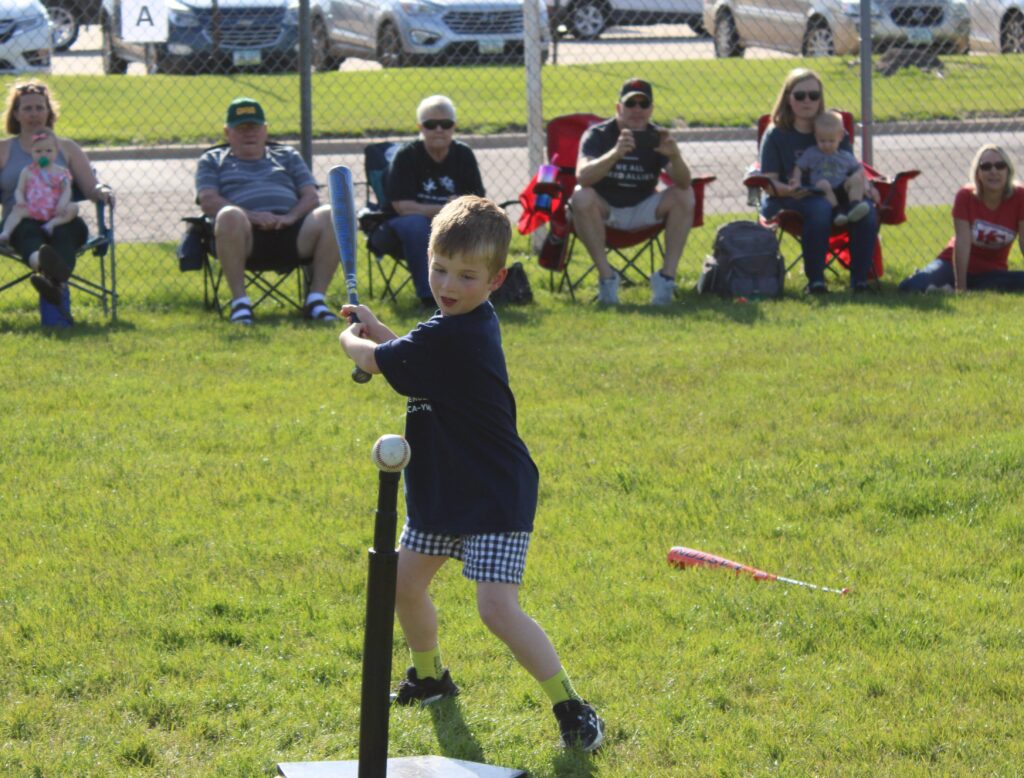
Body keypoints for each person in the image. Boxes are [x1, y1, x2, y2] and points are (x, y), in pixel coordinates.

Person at [338, 196, 605, 752]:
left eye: (466, 275)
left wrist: (352, 341)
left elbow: (376, 362)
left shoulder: (460, 332)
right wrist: (380, 331)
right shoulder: (449, 326)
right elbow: (407, 358)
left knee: (496, 609)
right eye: (439, 269)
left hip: (492, 490)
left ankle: (572, 706)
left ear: (495, 279)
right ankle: (429, 677)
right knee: (403, 585)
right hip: (444, 486)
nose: (447, 283)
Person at [196, 97, 339, 325]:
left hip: (292, 231)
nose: (249, 133)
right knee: (228, 215)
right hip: (245, 236)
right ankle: (240, 304)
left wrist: (290, 217)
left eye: (254, 127)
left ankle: (316, 300)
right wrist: (253, 216)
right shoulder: (212, 160)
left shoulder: (287, 156)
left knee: (333, 214)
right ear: (227, 132)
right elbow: (208, 200)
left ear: (265, 130)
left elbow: (310, 196)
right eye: (241, 128)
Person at [571, 77, 695, 305]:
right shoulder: (598, 135)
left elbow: (685, 182)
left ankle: (666, 280)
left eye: (643, 104)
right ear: (618, 108)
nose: (637, 110)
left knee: (684, 195)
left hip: (643, 209)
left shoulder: (656, 137)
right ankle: (607, 280)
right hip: (605, 211)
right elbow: (583, 176)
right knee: (581, 195)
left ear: (651, 110)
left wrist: (675, 157)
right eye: (630, 104)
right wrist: (616, 153)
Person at [759, 68, 879, 294]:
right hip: (789, 199)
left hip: (839, 196)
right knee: (820, 208)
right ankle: (816, 281)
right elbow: (768, 181)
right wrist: (789, 191)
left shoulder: (832, 126)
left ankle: (860, 281)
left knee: (867, 211)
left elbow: (851, 166)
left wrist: (867, 187)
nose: (807, 101)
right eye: (800, 95)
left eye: (813, 95)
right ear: (788, 98)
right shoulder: (776, 134)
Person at [0, 81, 114, 307]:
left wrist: (103, 192)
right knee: (27, 232)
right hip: (21, 219)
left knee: (68, 232)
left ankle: (51, 280)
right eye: (27, 108)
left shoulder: (67, 148)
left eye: (40, 108)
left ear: (49, 112)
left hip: (62, 218)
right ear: (16, 114)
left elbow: (92, 188)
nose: (35, 114)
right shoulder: (4, 150)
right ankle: (51, 274)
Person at [383, 94, 485, 306]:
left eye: (445, 124)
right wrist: (447, 209)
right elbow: (403, 207)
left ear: (454, 127)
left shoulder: (463, 154)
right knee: (417, 224)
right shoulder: (406, 156)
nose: (439, 130)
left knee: (482, 224)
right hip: (402, 227)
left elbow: (477, 201)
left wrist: (458, 208)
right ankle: (430, 296)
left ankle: (477, 293)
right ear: (420, 127)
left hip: (453, 223)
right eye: (431, 124)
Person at [899, 144, 1024, 294]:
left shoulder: (1020, 197)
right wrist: (961, 287)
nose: (993, 171)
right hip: (951, 265)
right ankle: (953, 286)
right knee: (910, 287)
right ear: (977, 173)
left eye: (1000, 166)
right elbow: (962, 244)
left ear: (1008, 170)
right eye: (986, 166)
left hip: (992, 271)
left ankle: (948, 289)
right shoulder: (965, 197)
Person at [790, 110, 869, 227]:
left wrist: (866, 185)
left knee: (856, 179)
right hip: (823, 192)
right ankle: (837, 211)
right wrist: (796, 180)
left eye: (831, 141)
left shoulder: (845, 156)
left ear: (841, 136)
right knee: (823, 183)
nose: (826, 145)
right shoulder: (811, 153)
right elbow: (799, 167)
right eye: (822, 141)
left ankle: (855, 205)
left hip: (842, 189)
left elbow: (859, 169)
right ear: (815, 136)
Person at [0, 129, 78, 244]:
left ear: (56, 152)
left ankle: (51, 224)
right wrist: (20, 201)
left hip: (55, 209)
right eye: (38, 151)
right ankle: (6, 232)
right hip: (34, 208)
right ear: (31, 152)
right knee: (16, 212)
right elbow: (19, 189)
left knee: (73, 208)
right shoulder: (28, 171)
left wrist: (62, 204)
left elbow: (66, 190)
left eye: (48, 151)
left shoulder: (61, 172)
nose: (44, 154)